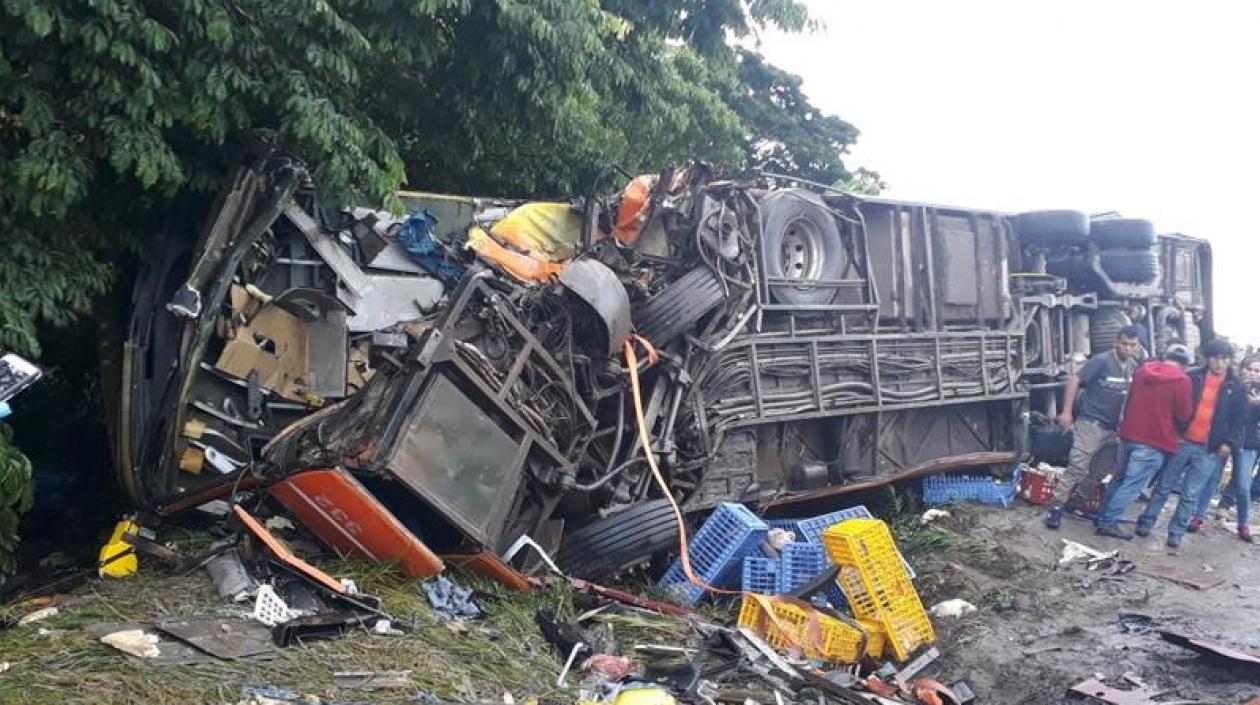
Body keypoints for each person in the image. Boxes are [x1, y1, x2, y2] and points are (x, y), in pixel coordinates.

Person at [1135, 339, 1248, 548]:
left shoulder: (1236, 386)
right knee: (1164, 486)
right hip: (1183, 441)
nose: (1219, 363)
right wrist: (1175, 431)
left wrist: (1228, 443)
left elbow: (1239, 420)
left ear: (1230, 361)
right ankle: (1146, 522)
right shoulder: (1192, 377)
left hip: (1210, 448)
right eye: (1215, 358)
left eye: (1224, 359)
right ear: (1207, 358)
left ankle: (1176, 533)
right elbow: (1174, 404)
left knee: (1190, 494)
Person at [1093, 344, 1193, 539]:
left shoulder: (1142, 371)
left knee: (1119, 479)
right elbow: (1184, 414)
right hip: (1155, 440)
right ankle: (1108, 522)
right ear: (1184, 364)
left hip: (1129, 434)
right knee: (1133, 485)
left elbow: (1129, 399)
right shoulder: (1183, 381)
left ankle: (1102, 516)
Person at [1058, 325, 1142, 514]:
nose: (1127, 349)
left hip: (1114, 429)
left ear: (1137, 346)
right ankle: (1055, 506)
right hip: (1091, 423)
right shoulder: (1101, 361)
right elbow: (1074, 380)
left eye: (1132, 345)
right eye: (1124, 344)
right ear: (1116, 342)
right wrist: (1066, 411)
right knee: (1077, 467)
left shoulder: (1133, 367)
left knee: (1099, 471)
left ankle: (1075, 504)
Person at [1210, 355, 1260, 542]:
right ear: (1242, 369)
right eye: (1250, 369)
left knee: (1243, 485)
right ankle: (1198, 515)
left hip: (1248, 444)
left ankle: (1243, 523)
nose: (1253, 374)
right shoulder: (1233, 387)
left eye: (1257, 371)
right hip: (1225, 439)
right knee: (1211, 479)